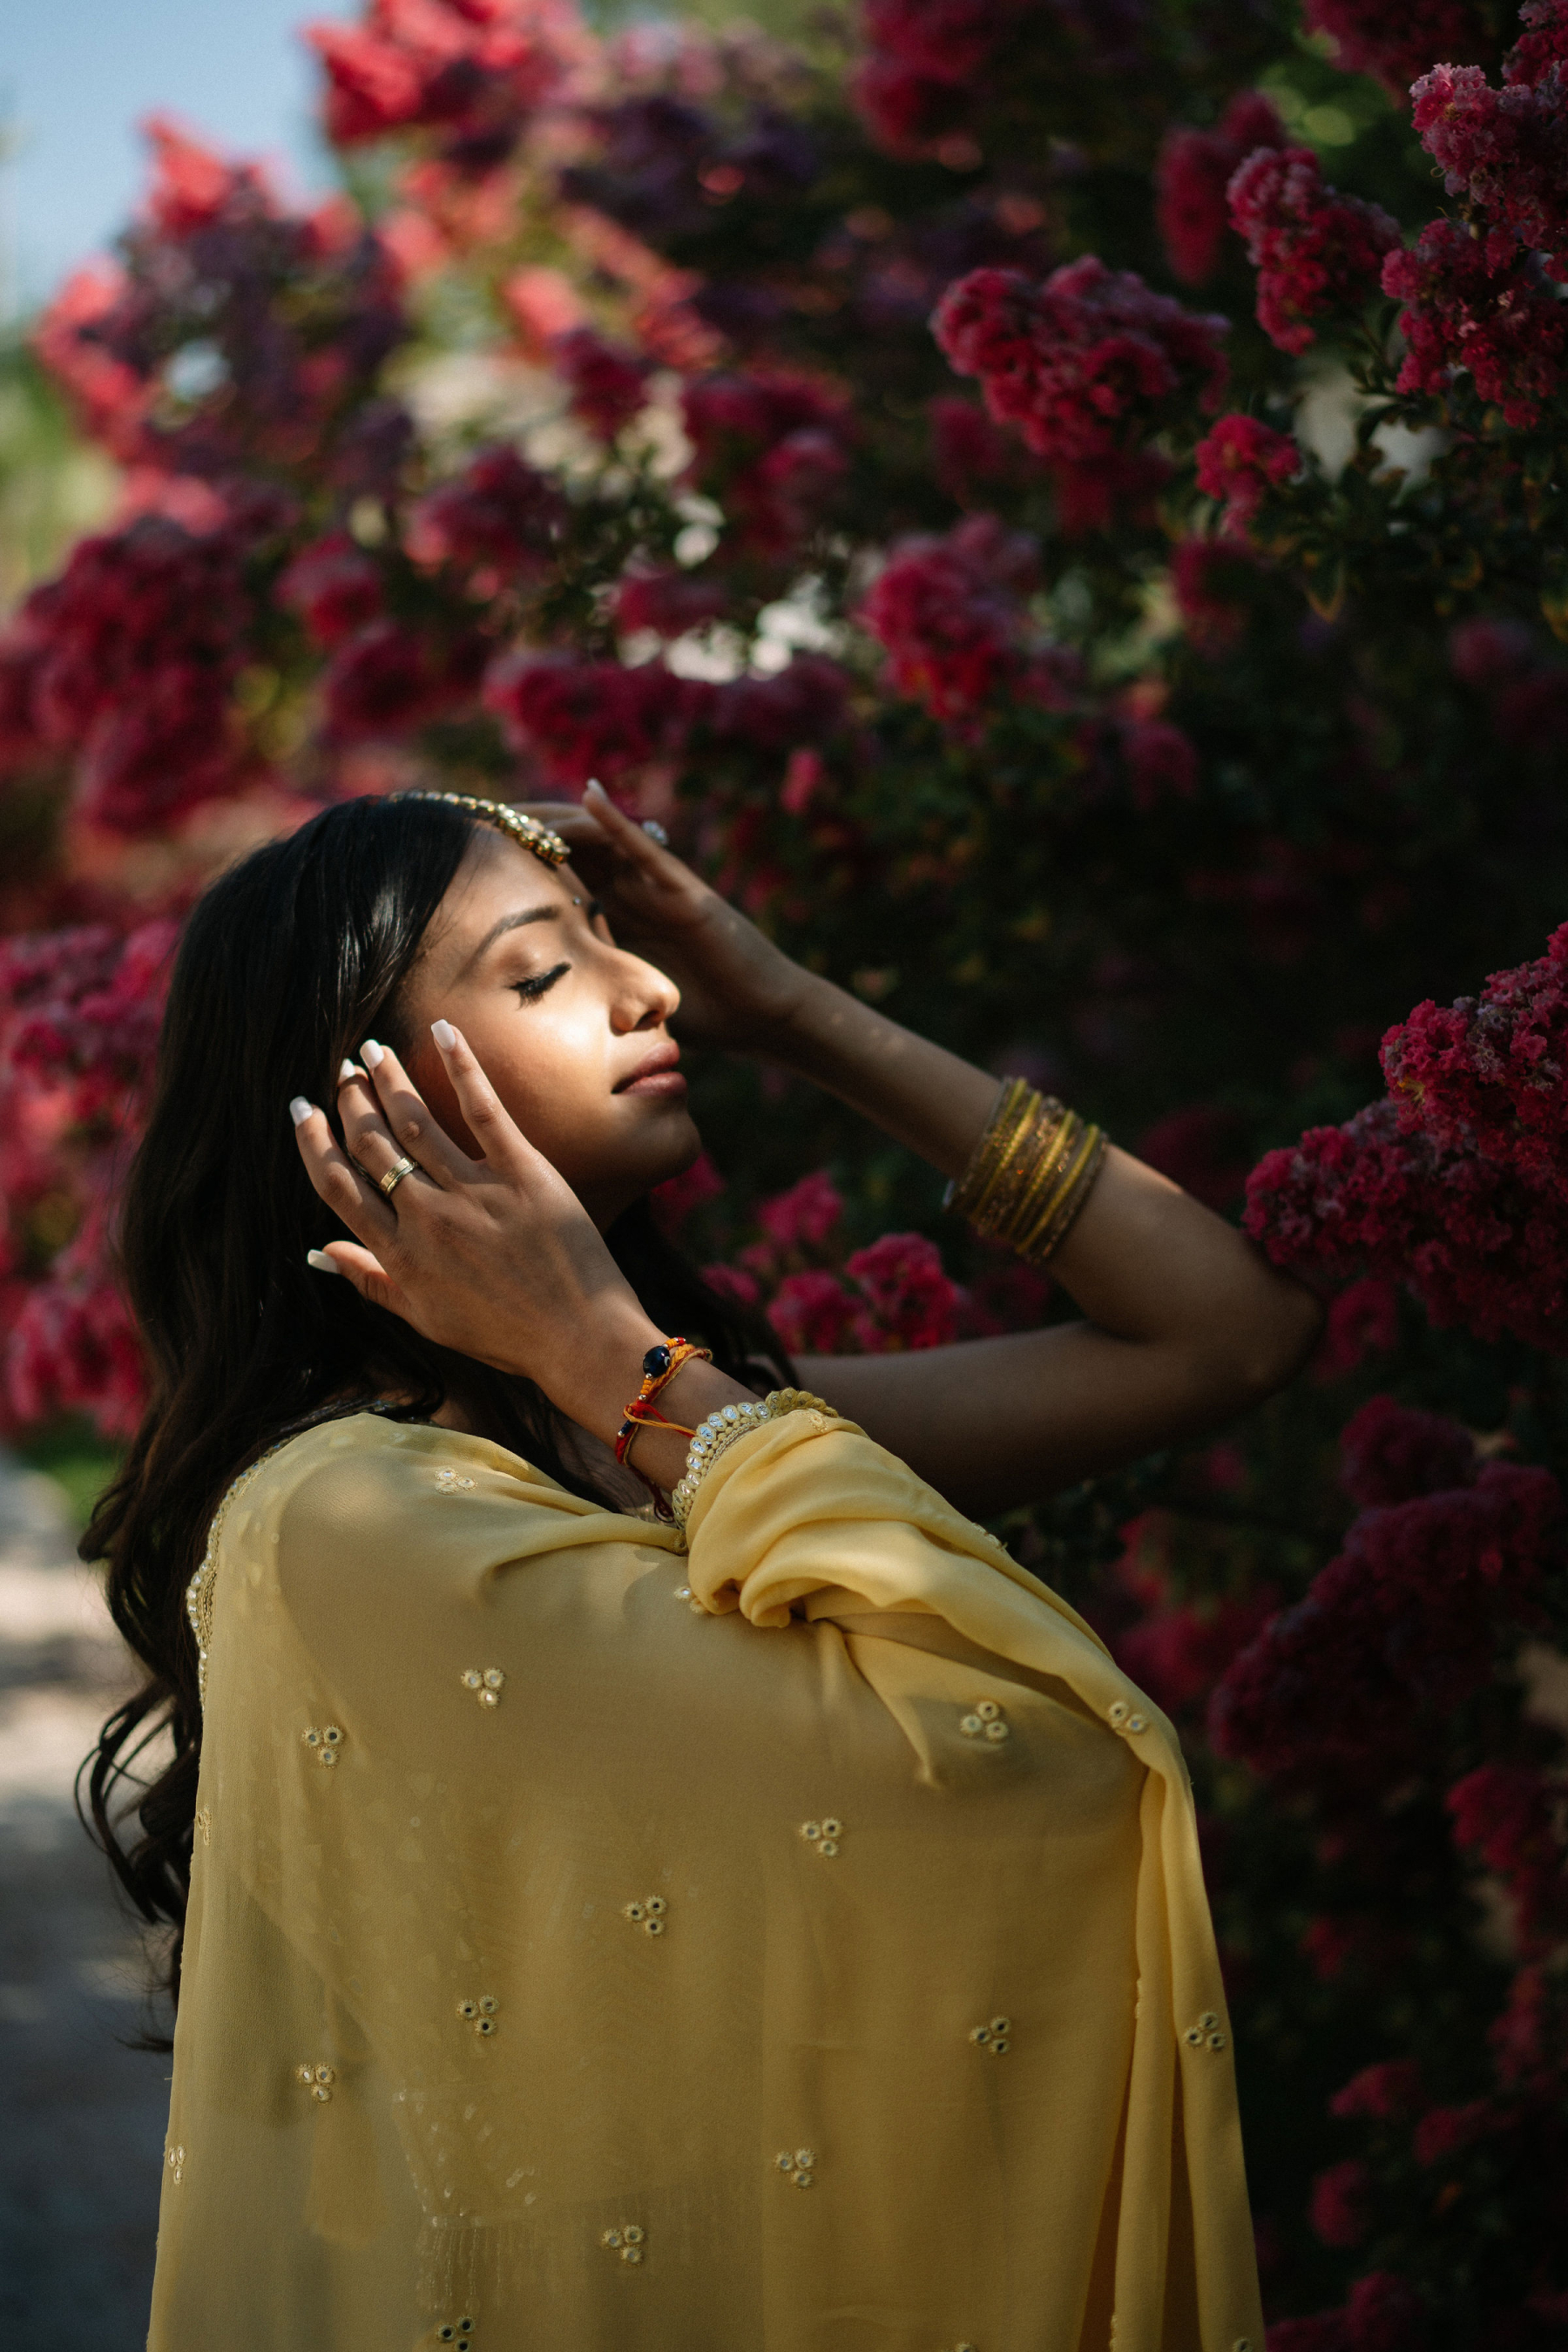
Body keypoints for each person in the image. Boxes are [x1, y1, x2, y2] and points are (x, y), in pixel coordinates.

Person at [86, 782, 1319, 2352]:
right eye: (543, 972)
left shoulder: (665, 1428)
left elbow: (1229, 1331)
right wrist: (623, 1365)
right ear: (369, 1112)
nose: (651, 987)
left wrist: (794, 1012)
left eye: (617, 945)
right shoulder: (353, 1520)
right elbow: (1041, 1762)